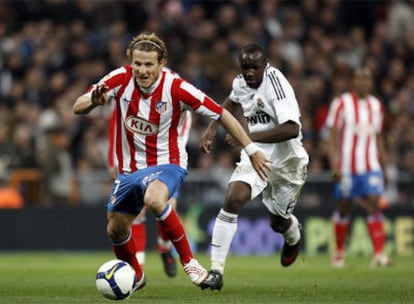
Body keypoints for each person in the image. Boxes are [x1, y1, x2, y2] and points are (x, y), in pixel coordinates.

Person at [73, 33, 271, 293]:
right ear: (131, 63)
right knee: (115, 229)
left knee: (155, 200)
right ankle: (137, 274)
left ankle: (190, 262)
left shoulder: (177, 87)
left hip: (168, 162)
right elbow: (79, 105)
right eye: (138, 64)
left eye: (148, 65)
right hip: (129, 170)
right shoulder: (119, 79)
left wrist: (252, 148)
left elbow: (222, 114)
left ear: (161, 63)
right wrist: (92, 103)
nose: (142, 71)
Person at [199, 43, 309, 290]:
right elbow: (231, 99)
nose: (249, 72)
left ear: (265, 65)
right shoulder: (240, 82)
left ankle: (293, 236)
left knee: (277, 222)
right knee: (233, 199)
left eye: (254, 67)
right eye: (245, 67)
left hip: (288, 162)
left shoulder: (275, 83)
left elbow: (293, 129)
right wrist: (213, 126)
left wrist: (246, 137)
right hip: (256, 154)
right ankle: (216, 271)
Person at [107, 104, 192, 278]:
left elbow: (184, 125)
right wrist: (113, 160)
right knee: (137, 214)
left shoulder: (174, 87)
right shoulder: (126, 90)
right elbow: (115, 126)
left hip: (165, 162)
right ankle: (138, 269)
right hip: (136, 163)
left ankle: (165, 246)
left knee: (167, 206)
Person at [325, 67, 391, 268]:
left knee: (373, 202)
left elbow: (378, 137)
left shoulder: (376, 105)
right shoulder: (341, 103)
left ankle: (379, 254)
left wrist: (384, 165)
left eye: (367, 79)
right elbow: (332, 137)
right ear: (353, 81)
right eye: (359, 79)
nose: (363, 83)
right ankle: (338, 252)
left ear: (371, 83)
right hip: (345, 167)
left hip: (370, 165)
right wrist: (333, 164)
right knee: (345, 207)